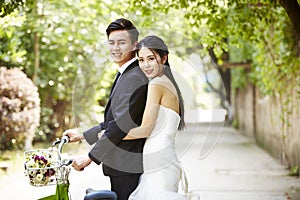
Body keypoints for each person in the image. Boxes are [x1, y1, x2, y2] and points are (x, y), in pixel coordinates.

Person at [63, 18, 148, 200]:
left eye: (121, 43)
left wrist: (89, 158)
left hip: (127, 164)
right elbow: (112, 121)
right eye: (112, 43)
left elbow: (119, 125)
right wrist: (82, 135)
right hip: (122, 165)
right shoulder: (125, 73)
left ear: (134, 44)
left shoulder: (133, 76)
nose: (115, 48)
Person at [122, 35, 188, 200]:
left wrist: (110, 136)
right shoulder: (167, 82)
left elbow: (145, 129)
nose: (145, 65)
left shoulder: (157, 84)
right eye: (141, 60)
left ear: (163, 58)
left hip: (159, 159)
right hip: (162, 157)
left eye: (151, 58)